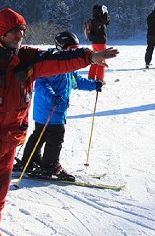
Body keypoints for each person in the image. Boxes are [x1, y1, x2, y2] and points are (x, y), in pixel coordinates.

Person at [0, 8, 118, 236]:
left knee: (1, 186)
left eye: (22, 31)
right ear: (0, 33)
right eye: (15, 31)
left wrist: (89, 57)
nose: (20, 36)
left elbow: (58, 60)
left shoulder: (26, 60)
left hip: (9, 138)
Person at [15, 31, 103, 181]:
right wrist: (52, 97)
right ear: (61, 48)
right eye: (71, 50)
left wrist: (93, 84)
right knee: (55, 137)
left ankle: (30, 161)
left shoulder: (68, 68)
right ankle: (49, 165)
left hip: (53, 110)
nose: (74, 53)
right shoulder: (52, 64)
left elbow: (77, 82)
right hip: (50, 110)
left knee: (39, 135)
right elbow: (42, 84)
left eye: (76, 50)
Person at [87, 4, 110, 80]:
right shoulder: (98, 20)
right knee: (101, 60)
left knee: (95, 59)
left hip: (95, 42)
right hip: (100, 43)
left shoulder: (93, 20)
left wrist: (106, 13)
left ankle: (91, 77)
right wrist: (106, 12)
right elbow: (105, 20)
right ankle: (100, 79)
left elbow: (106, 22)